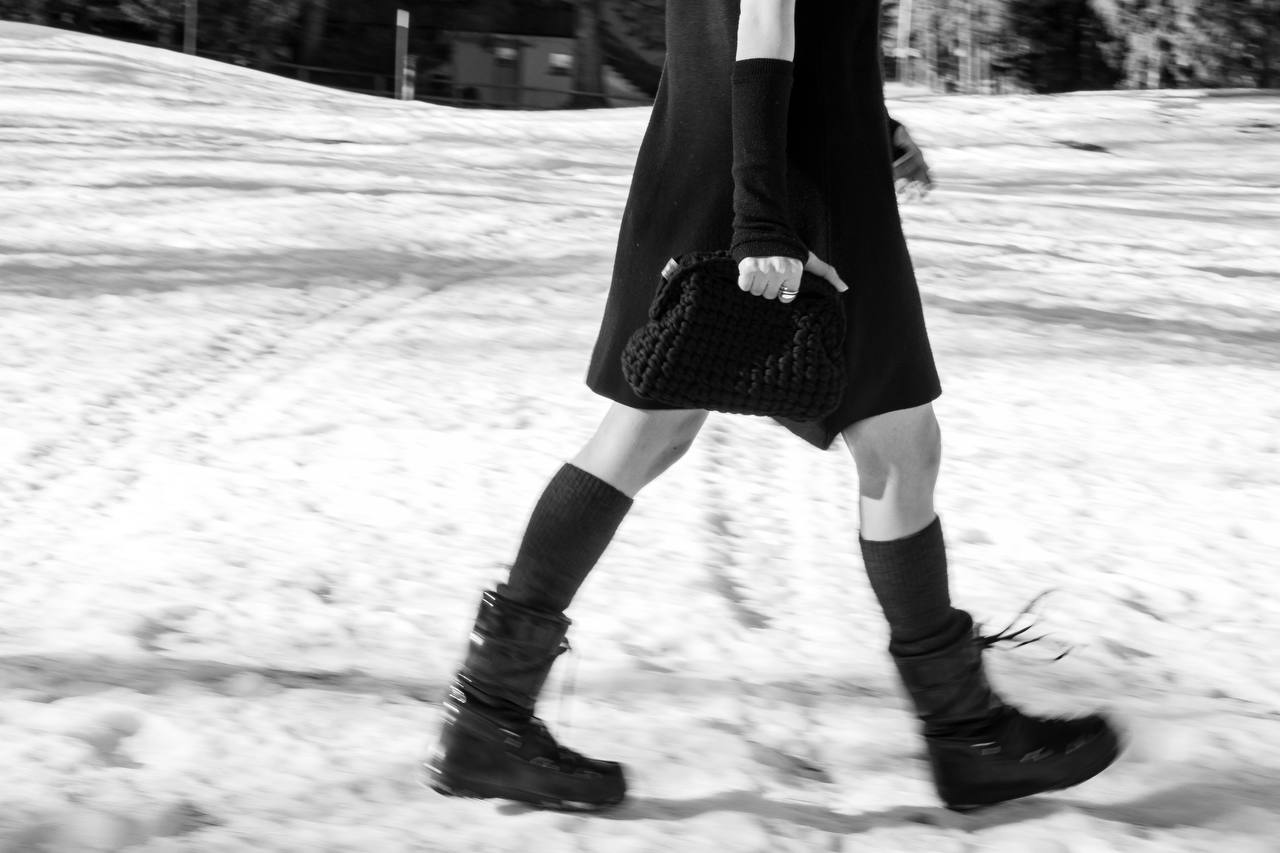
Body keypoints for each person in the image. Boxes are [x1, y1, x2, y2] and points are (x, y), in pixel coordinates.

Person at [424, 0, 1120, 813]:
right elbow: (760, 23)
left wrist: (868, 120)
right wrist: (762, 221)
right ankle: (967, 733)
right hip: (769, 181)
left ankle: (490, 712)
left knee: (666, 432)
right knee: (880, 442)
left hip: (752, 156)